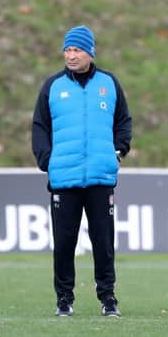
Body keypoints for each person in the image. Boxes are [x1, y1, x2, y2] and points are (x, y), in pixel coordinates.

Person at [32, 25, 132, 317]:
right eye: (67, 50)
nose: (71, 55)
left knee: (104, 243)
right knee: (64, 243)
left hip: (101, 177)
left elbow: (123, 121)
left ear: (90, 53)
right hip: (64, 178)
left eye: (77, 50)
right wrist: (47, 160)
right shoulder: (52, 87)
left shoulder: (109, 84)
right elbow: (40, 127)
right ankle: (64, 299)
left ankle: (108, 298)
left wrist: (119, 150)